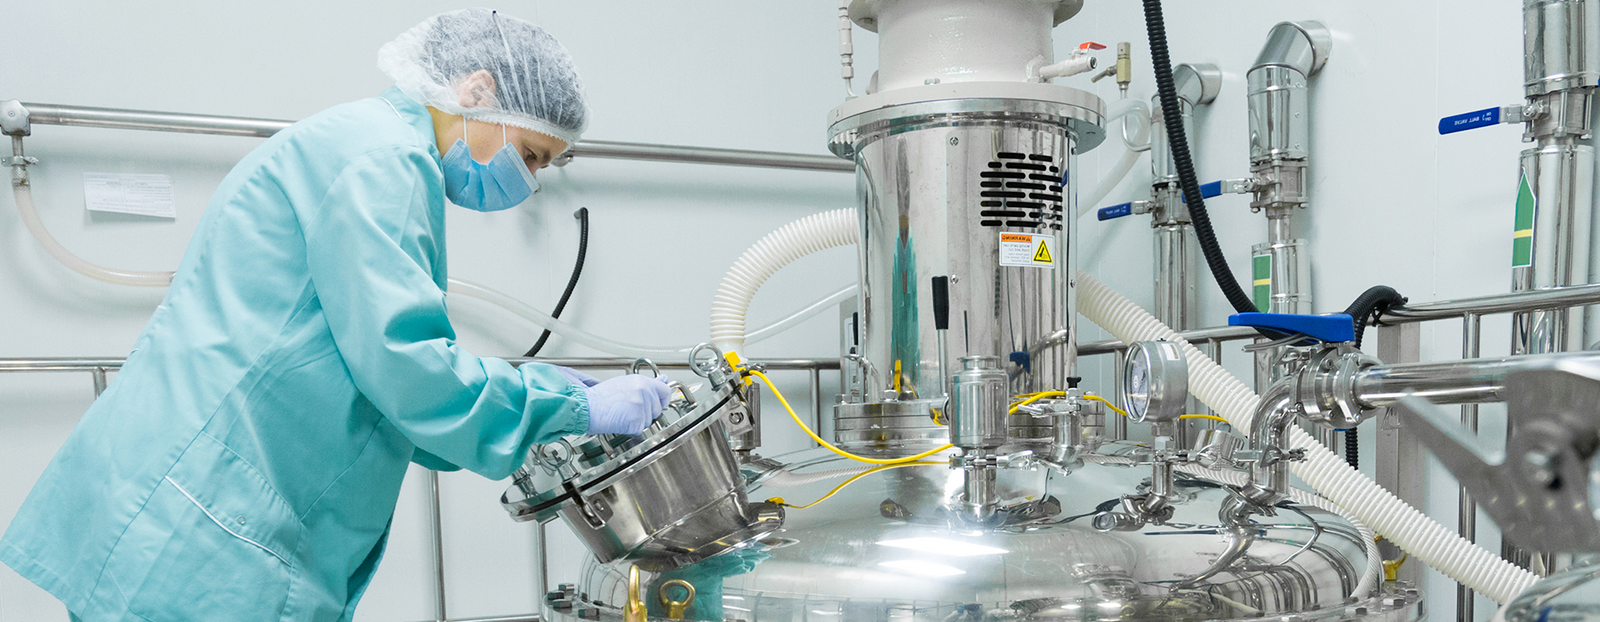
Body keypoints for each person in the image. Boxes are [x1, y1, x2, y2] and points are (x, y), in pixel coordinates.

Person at [0, 9, 670, 621]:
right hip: (205, 517)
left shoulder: (366, 146)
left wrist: (543, 397)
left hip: (202, 499)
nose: (527, 180)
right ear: (477, 92)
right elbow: (410, 374)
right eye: (529, 154)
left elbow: (393, 388)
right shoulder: (379, 160)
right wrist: (571, 407)